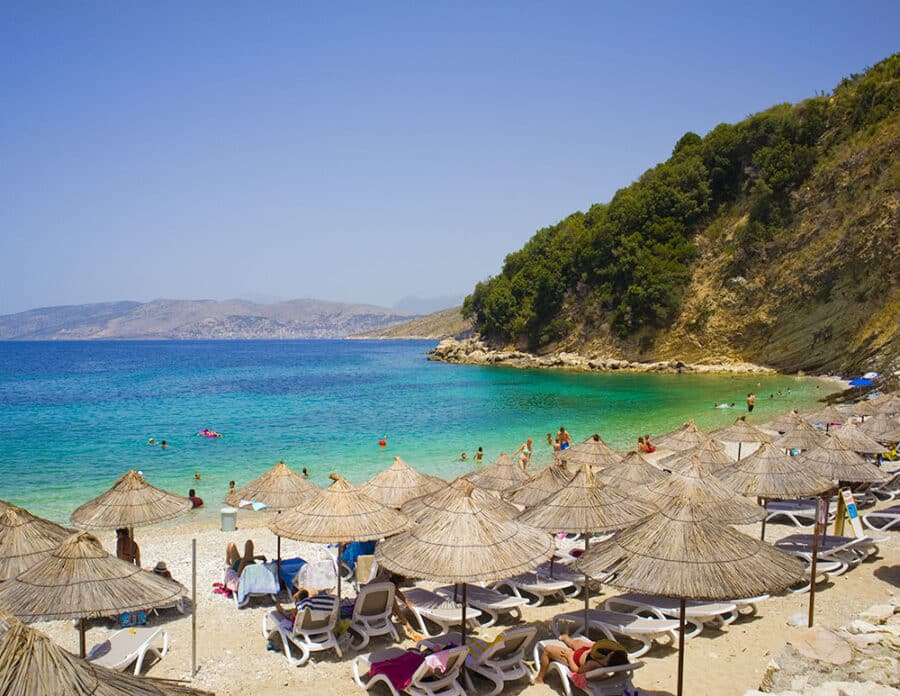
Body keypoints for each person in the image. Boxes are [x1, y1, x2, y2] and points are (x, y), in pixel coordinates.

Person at [535, 634, 628, 683]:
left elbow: (577, 670)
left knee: (547, 649)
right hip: (585, 652)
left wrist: (569, 657)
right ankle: (566, 638)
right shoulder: (610, 660)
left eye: (609, 654)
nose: (609, 653)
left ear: (608, 661)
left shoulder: (593, 664)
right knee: (576, 642)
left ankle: (540, 678)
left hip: (574, 657)